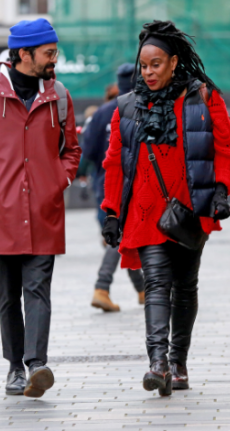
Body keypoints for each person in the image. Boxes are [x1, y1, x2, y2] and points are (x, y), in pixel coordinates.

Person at [100, 20, 230, 396]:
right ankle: (158, 363)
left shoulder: (204, 98)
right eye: (144, 66)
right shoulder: (126, 107)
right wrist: (112, 211)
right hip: (145, 212)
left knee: (185, 285)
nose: (148, 72)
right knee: (157, 283)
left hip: (189, 209)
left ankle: (179, 361)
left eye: (156, 64)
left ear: (174, 62)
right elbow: (114, 163)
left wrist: (221, 191)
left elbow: (226, 149)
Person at [0, 18, 81, 398]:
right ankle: (14, 368)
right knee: (8, 295)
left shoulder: (60, 96)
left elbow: (71, 150)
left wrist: (61, 179)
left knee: (38, 289)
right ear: (25, 54)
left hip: (44, 210)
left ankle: (37, 364)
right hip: (1, 213)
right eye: (48, 53)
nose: (54, 59)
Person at [81, 64, 145, 312]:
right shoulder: (144, 108)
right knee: (119, 239)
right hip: (136, 186)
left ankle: (142, 291)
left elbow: (89, 152)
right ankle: (102, 287)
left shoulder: (102, 113)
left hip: (105, 186)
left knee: (120, 238)